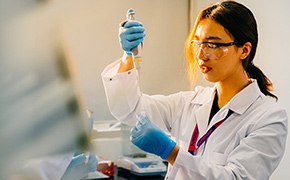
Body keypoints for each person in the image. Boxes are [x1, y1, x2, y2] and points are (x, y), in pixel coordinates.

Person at [102, 1, 288, 179]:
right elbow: (130, 110)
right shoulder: (190, 102)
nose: (200, 55)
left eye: (212, 45)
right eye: (198, 43)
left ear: (244, 50)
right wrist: (128, 57)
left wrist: (172, 152)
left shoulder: (269, 118)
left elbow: (237, 177)